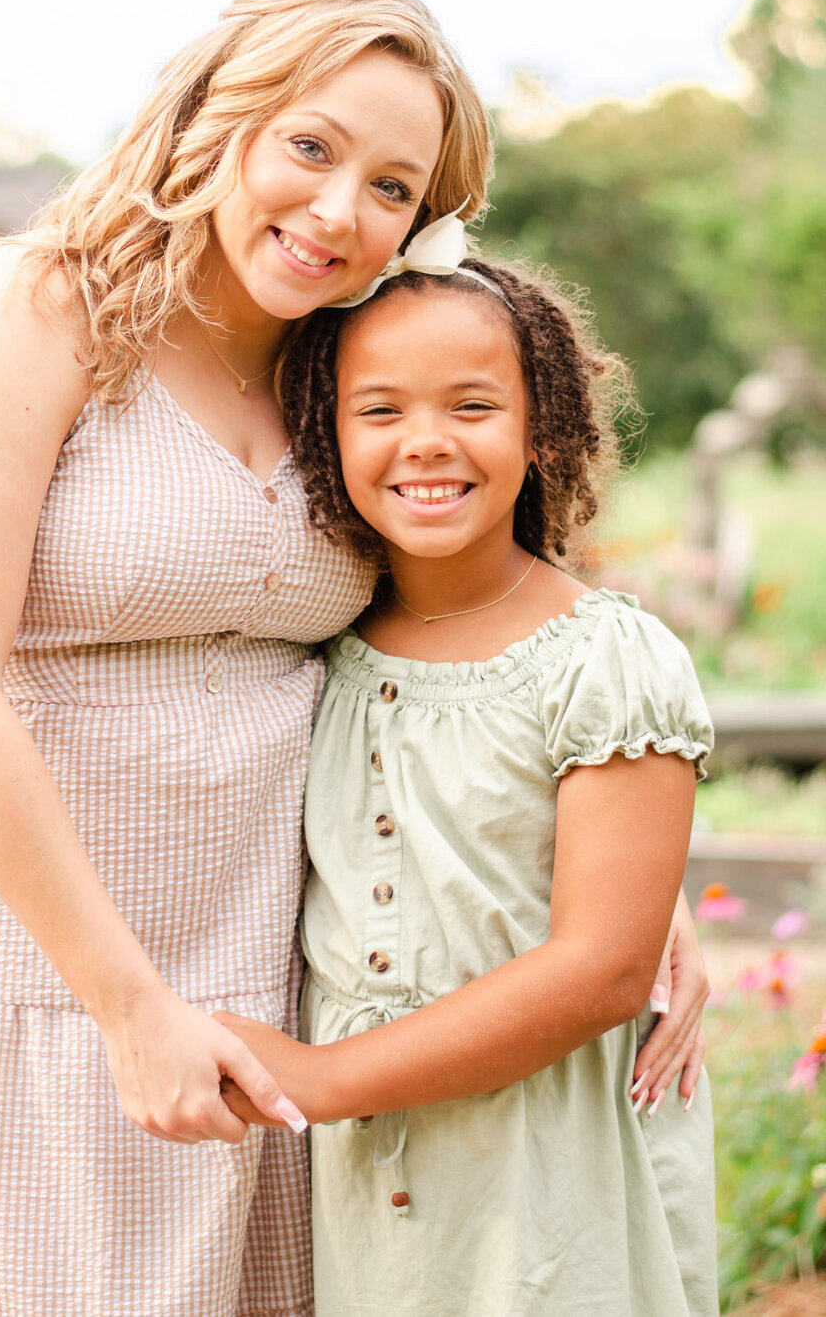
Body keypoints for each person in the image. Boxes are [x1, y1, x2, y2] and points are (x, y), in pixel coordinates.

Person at [0, 0, 707, 1317]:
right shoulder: (33, 313)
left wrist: (620, 855)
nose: (342, 210)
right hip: (37, 970)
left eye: (394, 187)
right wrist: (127, 1006)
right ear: (217, 123)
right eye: (312, 146)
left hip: (267, 964)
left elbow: (459, 618)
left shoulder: (335, 361)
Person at [219, 236, 717, 1315]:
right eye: (381, 410)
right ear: (325, 431)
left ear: (543, 429)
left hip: (549, 1175)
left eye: (474, 406)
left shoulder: (602, 660)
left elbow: (602, 970)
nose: (427, 443)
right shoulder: (320, 649)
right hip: (371, 1187)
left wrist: (317, 1081)